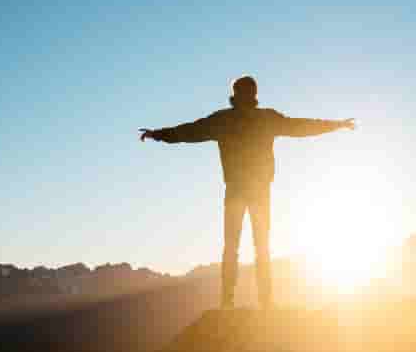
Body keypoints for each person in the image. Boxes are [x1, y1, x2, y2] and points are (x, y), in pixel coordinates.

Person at [139, 76, 355, 309]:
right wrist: (336, 125)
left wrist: (157, 134)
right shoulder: (261, 119)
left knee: (238, 247)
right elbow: (301, 127)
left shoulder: (229, 120)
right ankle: (259, 302)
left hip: (241, 191)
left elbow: (189, 131)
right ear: (251, 94)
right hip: (254, 191)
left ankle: (233, 302)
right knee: (257, 247)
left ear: (237, 94)